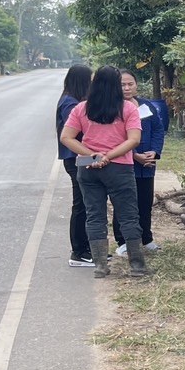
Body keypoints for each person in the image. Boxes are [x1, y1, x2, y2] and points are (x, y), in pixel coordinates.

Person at [60, 65, 147, 278]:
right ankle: (136, 266)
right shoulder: (127, 109)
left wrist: (93, 154)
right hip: (120, 168)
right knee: (128, 216)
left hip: (88, 168)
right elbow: (134, 139)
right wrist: (109, 156)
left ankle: (100, 266)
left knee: (95, 216)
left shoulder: (81, 108)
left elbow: (67, 137)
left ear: (95, 83)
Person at [113, 70, 167, 257]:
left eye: (130, 84)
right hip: (125, 164)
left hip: (147, 166)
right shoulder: (113, 108)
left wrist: (155, 151)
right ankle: (122, 240)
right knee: (124, 203)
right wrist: (135, 154)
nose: (127, 88)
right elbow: (114, 137)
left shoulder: (147, 106)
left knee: (145, 202)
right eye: (122, 84)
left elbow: (158, 130)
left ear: (137, 85)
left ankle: (146, 237)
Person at [56, 64, 94, 267]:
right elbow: (78, 133)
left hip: (79, 157)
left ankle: (87, 248)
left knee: (87, 204)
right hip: (76, 158)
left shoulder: (71, 100)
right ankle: (79, 252)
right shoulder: (70, 104)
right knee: (81, 205)